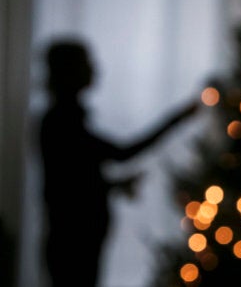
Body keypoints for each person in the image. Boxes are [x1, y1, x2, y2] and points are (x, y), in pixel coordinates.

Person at [38, 38, 199, 287]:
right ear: (70, 72)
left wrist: (110, 186)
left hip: (73, 240)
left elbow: (74, 181)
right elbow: (122, 153)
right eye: (86, 63)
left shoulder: (61, 121)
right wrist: (178, 118)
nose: (95, 69)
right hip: (74, 243)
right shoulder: (62, 123)